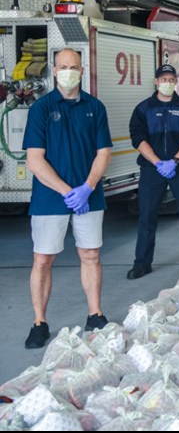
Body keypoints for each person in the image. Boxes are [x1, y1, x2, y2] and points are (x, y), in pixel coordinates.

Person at [22, 49, 112, 349]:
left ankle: (95, 314)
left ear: (83, 70)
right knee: (43, 259)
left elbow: (103, 153)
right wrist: (67, 192)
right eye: (63, 67)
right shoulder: (41, 109)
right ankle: (39, 322)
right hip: (50, 198)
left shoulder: (95, 108)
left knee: (91, 255)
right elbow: (35, 160)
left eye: (74, 67)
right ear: (54, 69)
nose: (69, 72)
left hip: (89, 196)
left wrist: (87, 187)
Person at [126, 64, 179, 279]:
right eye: (163, 79)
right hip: (152, 169)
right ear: (156, 82)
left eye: (171, 79)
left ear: (176, 82)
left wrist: (175, 160)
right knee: (147, 215)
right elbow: (138, 138)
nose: (167, 83)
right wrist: (157, 163)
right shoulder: (143, 109)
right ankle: (142, 263)